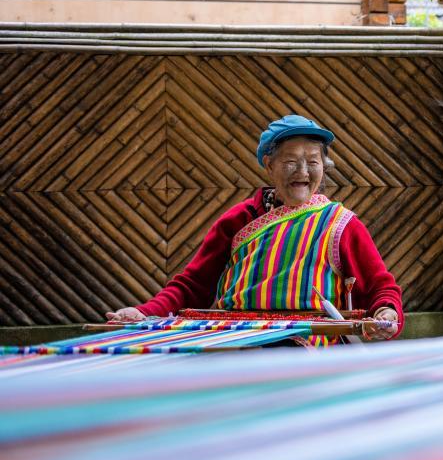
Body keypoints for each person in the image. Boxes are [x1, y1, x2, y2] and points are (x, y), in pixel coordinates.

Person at [106, 115, 403, 340]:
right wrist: (143, 312)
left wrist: (386, 313)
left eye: (313, 162)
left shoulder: (340, 224)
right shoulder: (239, 220)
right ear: (269, 165)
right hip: (239, 341)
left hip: (311, 350)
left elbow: (381, 288)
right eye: (291, 161)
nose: (302, 171)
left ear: (324, 167)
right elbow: (193, 285)